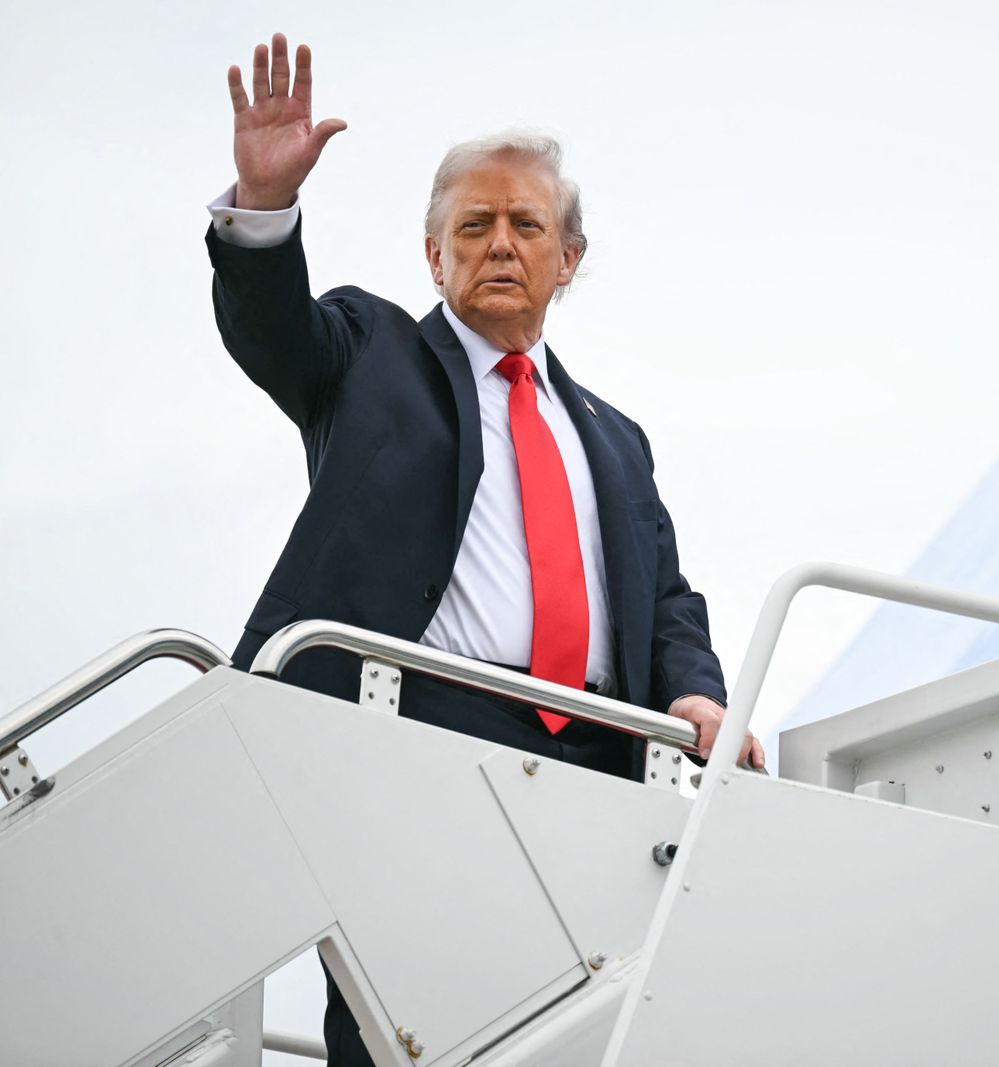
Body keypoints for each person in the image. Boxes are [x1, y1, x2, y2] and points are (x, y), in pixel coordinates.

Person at [209, 35, 760, 1065]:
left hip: (599, 754)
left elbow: (667, 598)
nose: (500, 243)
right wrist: (262, 206)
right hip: (420, 728)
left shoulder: (614, 435)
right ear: (434, 255)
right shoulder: (370, 356)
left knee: (585, 1031)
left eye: (525, 224)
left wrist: (696, 691)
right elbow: (273, 331)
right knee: (403, 1017)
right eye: (473, 225)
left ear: (568, 258)